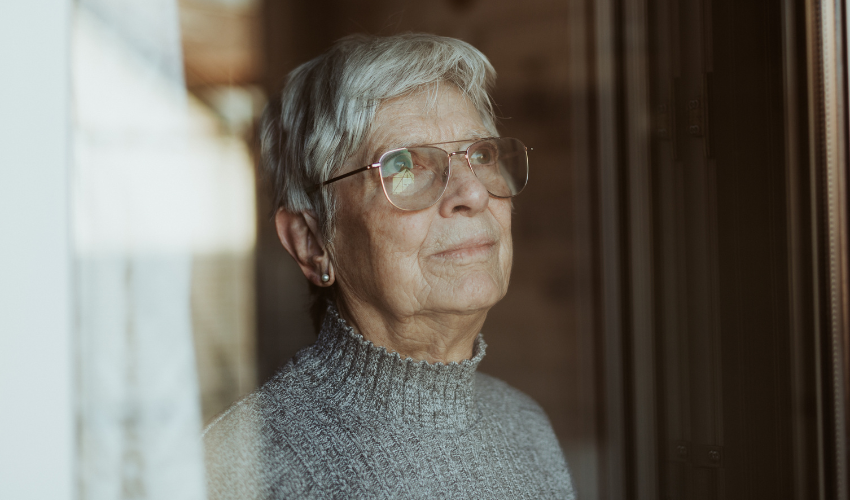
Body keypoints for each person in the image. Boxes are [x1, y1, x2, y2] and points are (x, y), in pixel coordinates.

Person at [203, 33, 576, 499]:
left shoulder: (524, 425)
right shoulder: (247, 467)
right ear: (312, 241)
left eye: (481, 155)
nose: (474, 193)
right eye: (406, 167)